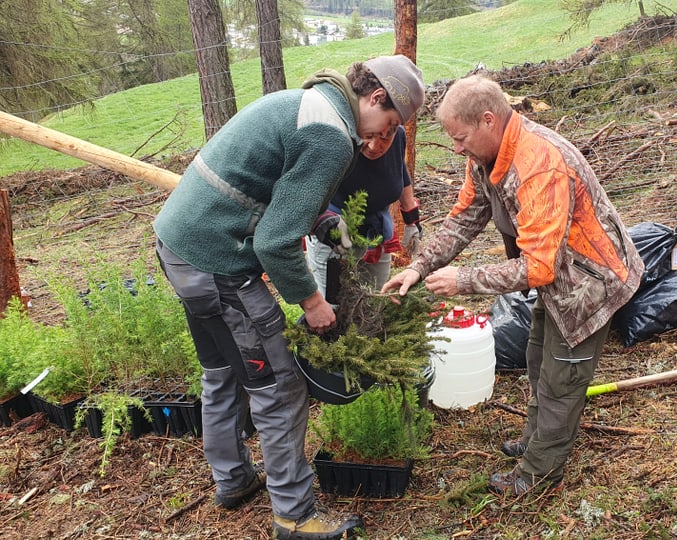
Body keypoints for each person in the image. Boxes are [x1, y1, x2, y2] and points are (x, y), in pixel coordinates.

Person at [153, 55, 424, 540]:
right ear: (377, 99)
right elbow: (274, 243)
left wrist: (321, 220)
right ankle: (295, 518)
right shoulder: (331, 135)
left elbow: (278, 189)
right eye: (391, 122)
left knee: (222, 371)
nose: (382, 136)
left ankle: (233, 480)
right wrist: (312, 302)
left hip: (178, 246)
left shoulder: (311, 102)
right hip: (219, 262)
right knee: (280, 386)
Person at [381, 75, 644, 497]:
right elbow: (464, 217)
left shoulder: (538, 164)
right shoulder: (486, 157)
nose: (456, 147)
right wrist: (420, 266)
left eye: (461, 137)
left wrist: (464, 279)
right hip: (561, 277)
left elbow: (538, 267)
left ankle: (538, 474)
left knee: (562, 379)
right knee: (538, 356)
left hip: (590, 280)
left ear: (488, 120)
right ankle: (537, 440)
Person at [305, 124, 421, 301]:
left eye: (384, 139)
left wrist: (412, 222)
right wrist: (323, 224)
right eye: (368, 136)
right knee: (334, 305)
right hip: (333, 235)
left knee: (373, 299)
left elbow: (400, 173)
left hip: (377, 232)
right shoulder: (338, 138)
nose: (375, 146)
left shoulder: (398, 136)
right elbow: (308, 187)